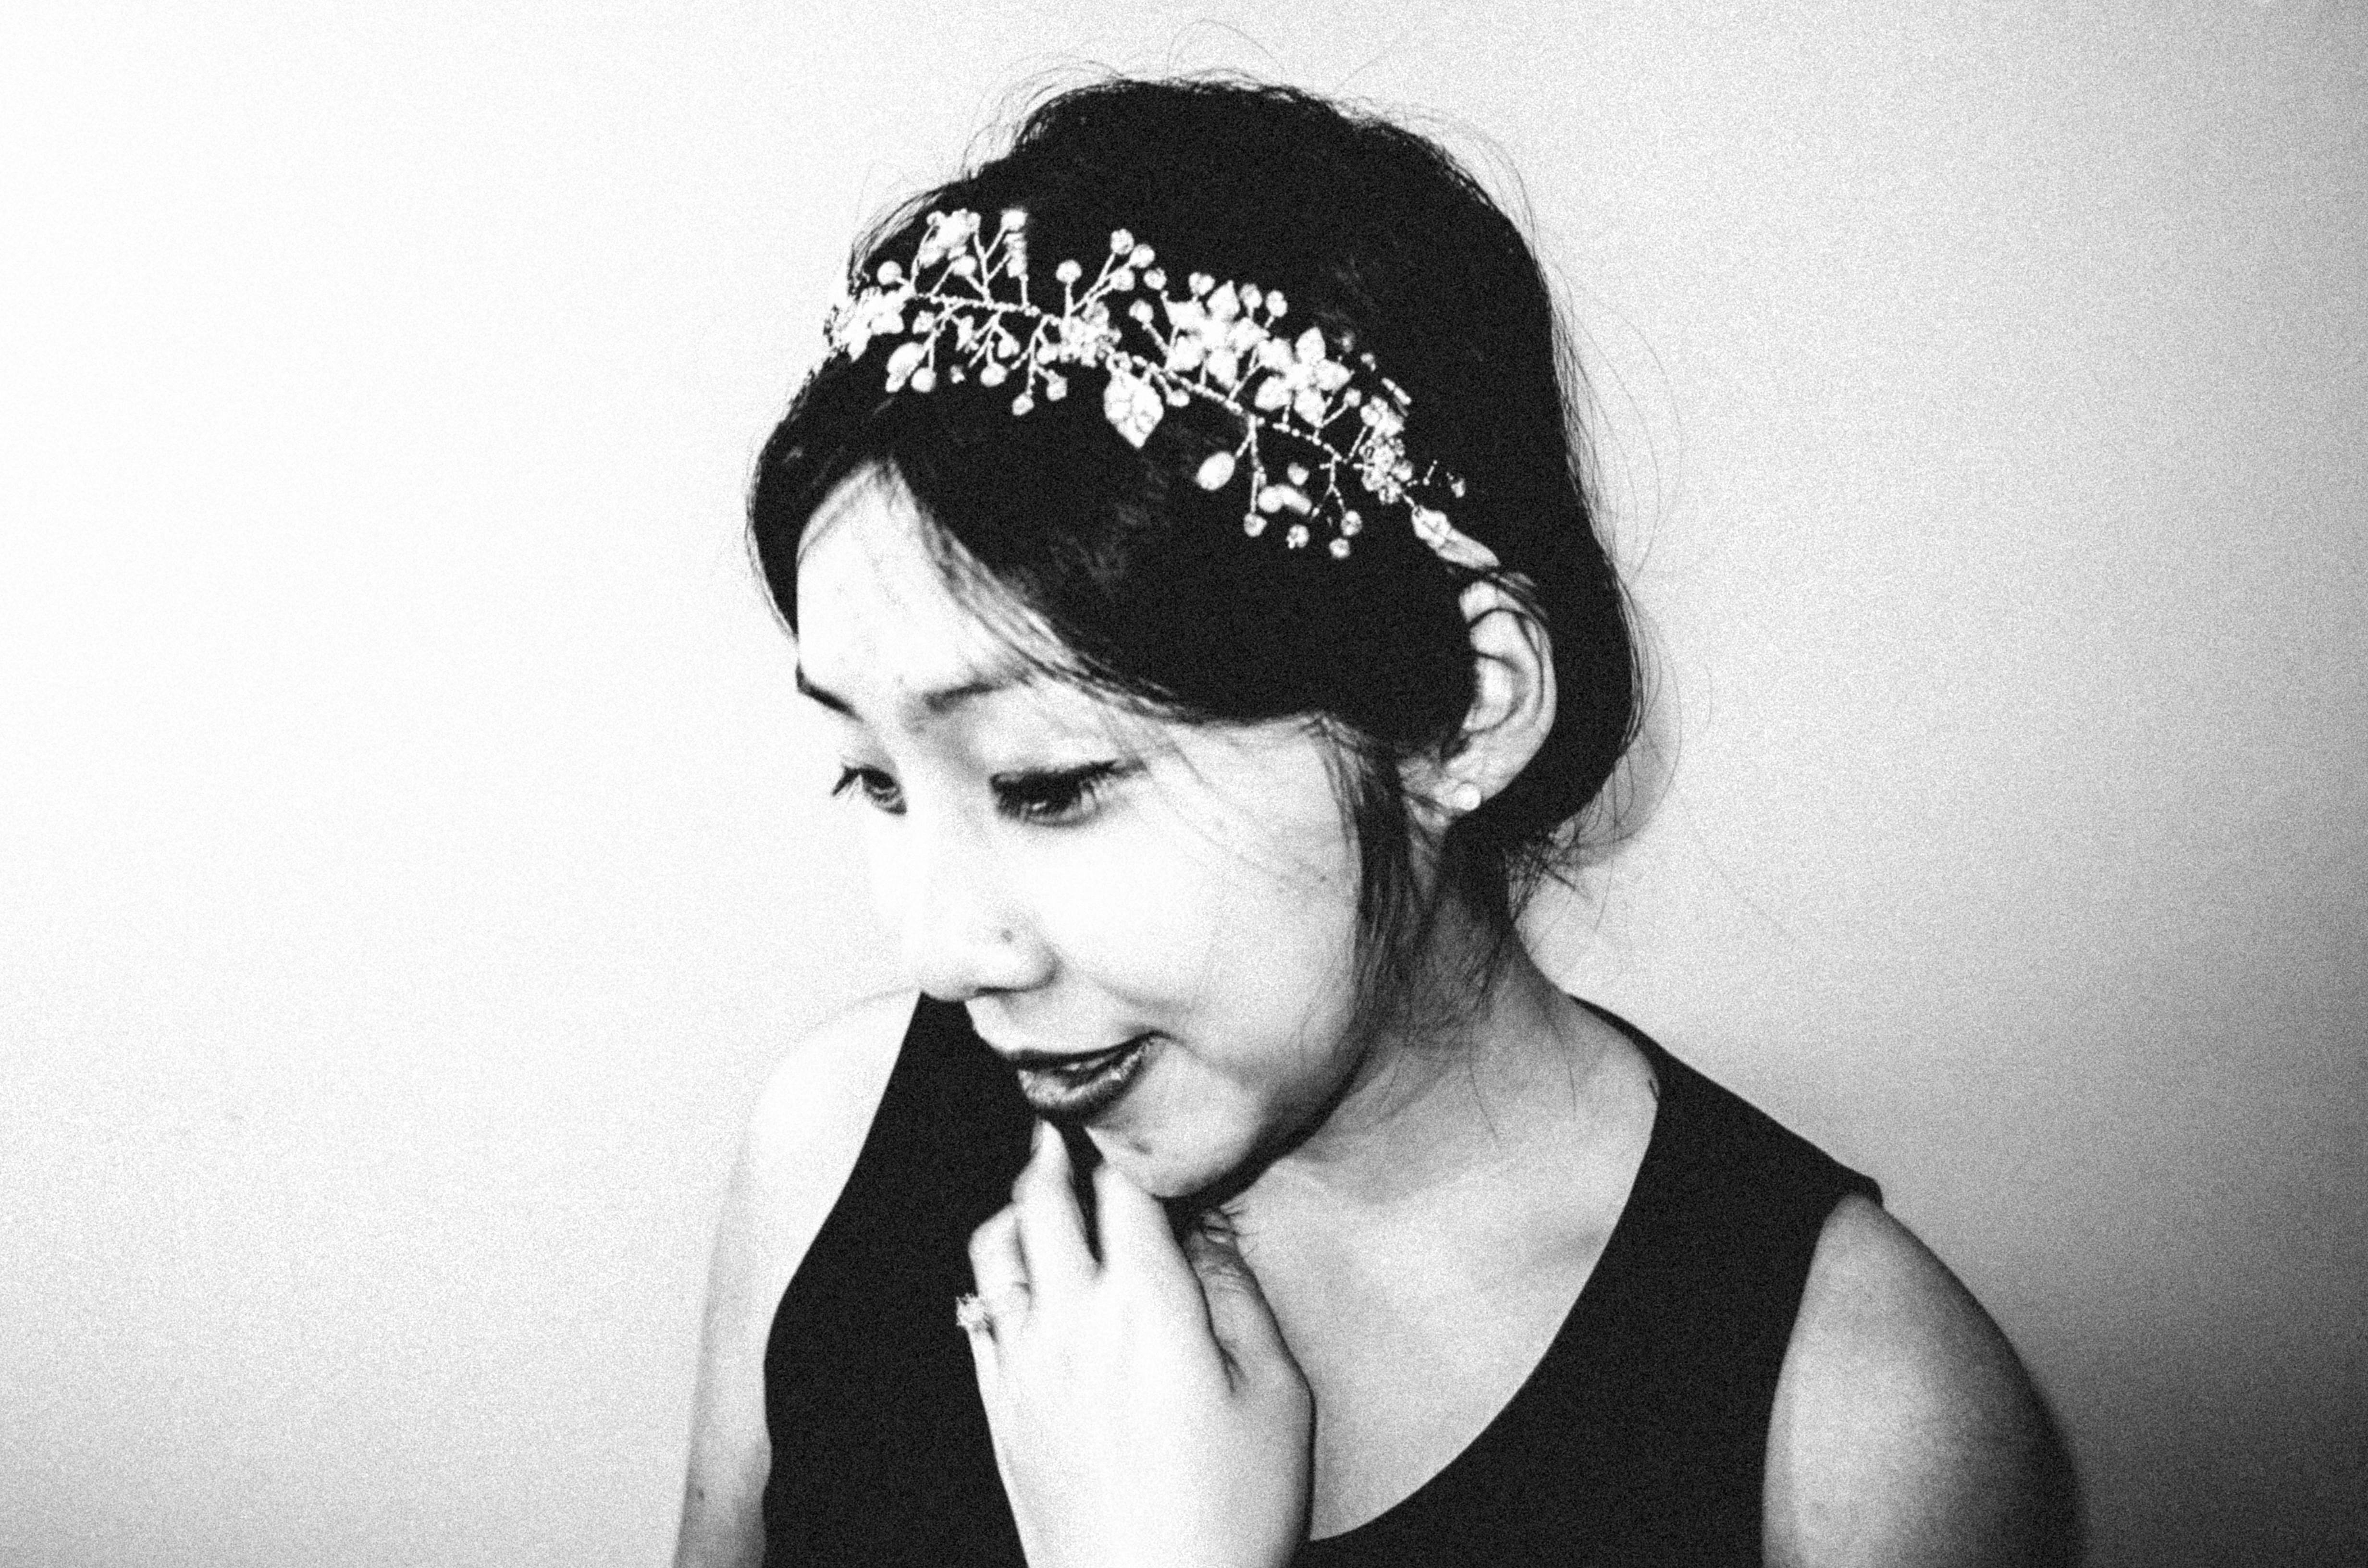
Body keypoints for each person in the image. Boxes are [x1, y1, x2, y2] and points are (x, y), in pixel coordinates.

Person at [676, 77, 2076, 1568]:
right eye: (876, 779)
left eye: (1046, 784)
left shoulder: (1857, 1430)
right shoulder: (833, 1144)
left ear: (1467, 708)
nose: (942, 952)